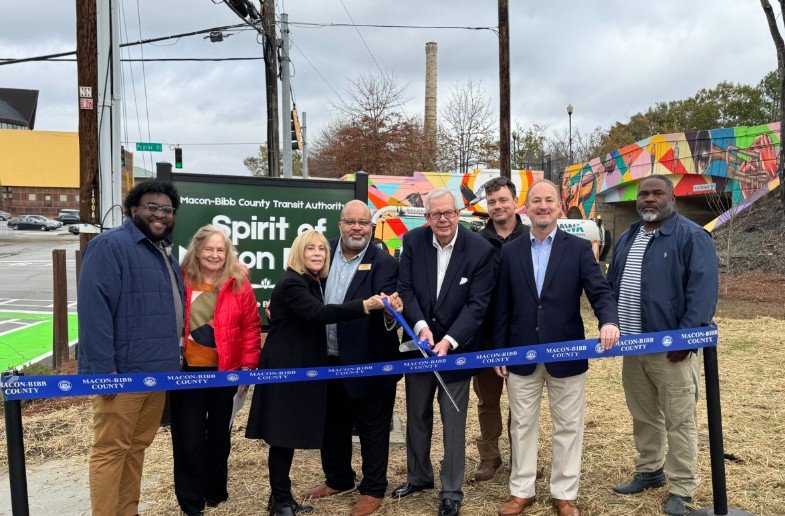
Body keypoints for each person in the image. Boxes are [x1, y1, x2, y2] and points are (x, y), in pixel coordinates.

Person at [245, 229, 398, 516]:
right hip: (286, 370)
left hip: (299, 368)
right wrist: (365, 305)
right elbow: (319, 313)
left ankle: (281, 498)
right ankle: (280, 500)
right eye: (310, 249)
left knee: (286, 436)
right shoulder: (294, 283)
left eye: (321, 250)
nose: (317, 253)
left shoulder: (309, 281)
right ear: (298, 253)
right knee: (282, 436)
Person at [493, 180, 619, 516]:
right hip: (521, 354)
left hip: (567, 353)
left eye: (549, 200)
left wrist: (608, 321)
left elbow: (600, 291)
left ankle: (564, 493)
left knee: (568, 425)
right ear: (527, 208)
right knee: (521, 425)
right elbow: (501, 305)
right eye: (536, 201)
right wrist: (500, 350)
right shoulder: (510, 251)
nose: (543, 206)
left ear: (559, 207)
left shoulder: (578, 249)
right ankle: (522, 490)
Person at [607, 175, 718, 516]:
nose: (649, 199)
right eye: (644, 194)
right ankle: (649, 470)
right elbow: (613, 283)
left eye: (657, 193)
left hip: (672, 350)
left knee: (679, 420)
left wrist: (686, 337)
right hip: (633, 347)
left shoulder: (692, 236)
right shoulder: (628, 236)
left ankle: (683, 487)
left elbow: (702, 292)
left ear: (673, 196)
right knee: (643, 416)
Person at [77, 179, 184, 516]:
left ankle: (128, 511)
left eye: (167, 210)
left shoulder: (162, 250)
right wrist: (103, 371)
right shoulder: (109, 246)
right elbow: (94, 311)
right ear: (134, 209)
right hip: (121, 374)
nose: (161, 215)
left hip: (158, 372)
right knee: (111, 450)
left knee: (136, 447)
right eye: (153, 207)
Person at [393, 189, 496, 516]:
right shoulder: (411, 243)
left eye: (448, 213)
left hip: (457, 350)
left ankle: (451, 489)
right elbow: (405, 290)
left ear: (458, 213)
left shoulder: (480, 249)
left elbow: (478, 305)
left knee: (454, 421)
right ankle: (418, 476)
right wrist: (421, 327)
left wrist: (449, 341)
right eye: (435, 214)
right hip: (419, 348)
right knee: (417, 416)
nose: (443, 219)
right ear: (426, 218)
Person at [299, 201, 401, 516]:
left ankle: (373, 488)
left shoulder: (384, 263)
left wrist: (392, 310)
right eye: (350, 222)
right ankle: (338, 478)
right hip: (326, 358)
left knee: (373, 427)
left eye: (363, 223)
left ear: (370, 227)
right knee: (332, 424)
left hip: (369, 360)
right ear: (340, 224)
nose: (356, 228)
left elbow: (391, 316)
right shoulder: (321, 253)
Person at [171, 225, 262, 516]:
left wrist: (247, 369)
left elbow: (250, 326)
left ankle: (215, 490)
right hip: (187, 374)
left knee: (219, 437)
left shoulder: (238, 282)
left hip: (226, 372)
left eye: (220, 249)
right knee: (189, 438)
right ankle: (191, 501)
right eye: (208, 248)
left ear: (227, 253)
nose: (214, 255)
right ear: (196, 250)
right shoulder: (180, 278)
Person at [471, 177, 527, 483]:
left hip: (522, 336)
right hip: (485, 338)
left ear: (515, 201)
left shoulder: (533, 237)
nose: (498, 206)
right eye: (492, 202)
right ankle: (489, 458)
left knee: (522, 403)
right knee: (487, 402)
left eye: (503, 200)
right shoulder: (477, 242)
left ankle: (523, 457)